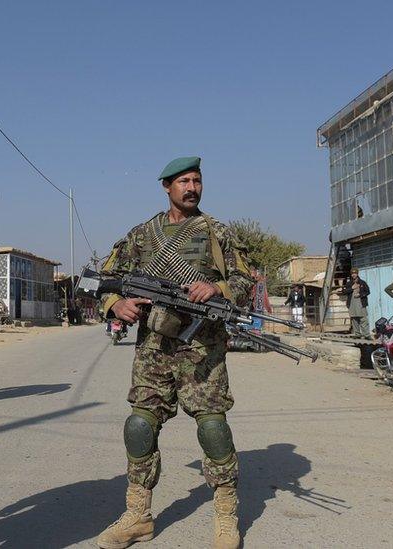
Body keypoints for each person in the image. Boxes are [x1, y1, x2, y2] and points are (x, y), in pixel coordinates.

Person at [96, 156, 253, 549]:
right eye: (183, 180)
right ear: (167, 187)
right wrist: (116, 304)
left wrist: (216, 289)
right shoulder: (142, 235)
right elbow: (106, 278)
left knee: (213, 428)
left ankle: (225, 514)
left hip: (203, 348)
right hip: (153, 348)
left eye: (197, 180)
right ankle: (138, 515)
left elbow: (245, 282)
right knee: (139, 426)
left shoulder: (216, 232)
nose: (192, 187)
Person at [341, 268, 371, 338]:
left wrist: (360, 295)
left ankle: (366, 335)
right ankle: (357, 334)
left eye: (355, 273)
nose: (353, 275)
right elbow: (344, 292)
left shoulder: (362, 282)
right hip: (352, 303)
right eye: (352, 273)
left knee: (363, 319)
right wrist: (352, 288)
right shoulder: (349, 283)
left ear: (357, 273)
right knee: (354, 319)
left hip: (361, 303)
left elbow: (368, 291)